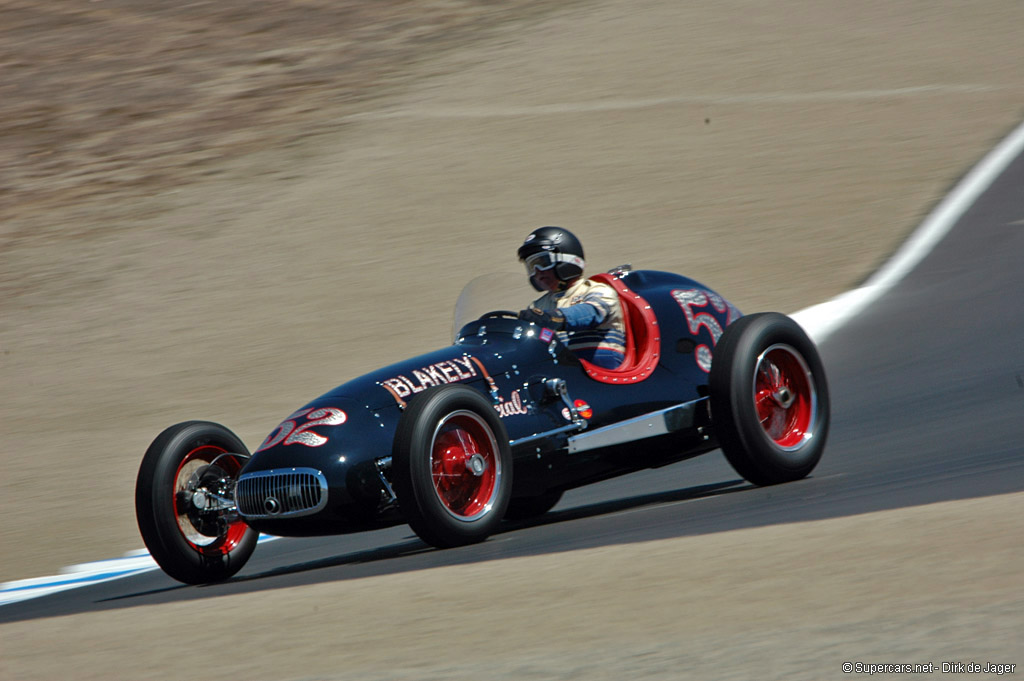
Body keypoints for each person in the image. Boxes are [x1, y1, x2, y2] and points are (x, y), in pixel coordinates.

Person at [517, 226, 626, 369]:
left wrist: (554, 318)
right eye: (532, 266)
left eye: (542, 262)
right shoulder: (538, 306)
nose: (537, 272)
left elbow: (592, 313)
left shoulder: (597, 290)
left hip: (602, 376)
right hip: (562, 376)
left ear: (566, 260)